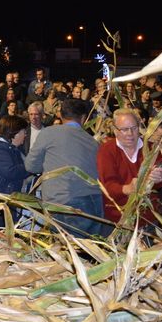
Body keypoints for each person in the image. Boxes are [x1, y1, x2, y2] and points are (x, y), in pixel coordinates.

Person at [25, 99, 103, 238]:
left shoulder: (48, 133)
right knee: (90, 252)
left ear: (60, 115)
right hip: (95, 203)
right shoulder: (93, 141)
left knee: (69, 252)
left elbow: (31, 166)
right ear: (84, 118)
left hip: (64, 203)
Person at [97, 109, 162, 227]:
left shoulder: (151, 149)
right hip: (118, 221)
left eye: (134, 128)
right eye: (124, 129)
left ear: (139, 127)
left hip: (147, 219)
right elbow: (107, 186)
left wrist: (159, 178)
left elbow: (158, 186)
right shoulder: (107, 150)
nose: (130, 133)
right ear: (114, 130)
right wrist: (129, 188)